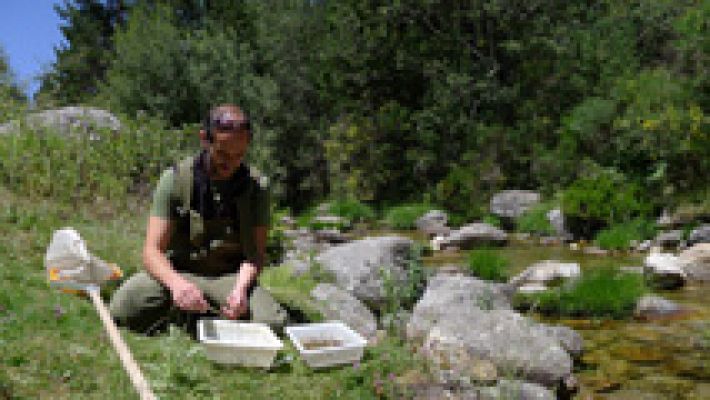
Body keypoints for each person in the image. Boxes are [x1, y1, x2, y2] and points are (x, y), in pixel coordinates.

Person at [110, 104, 286, 335]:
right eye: (222, 154)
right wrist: (176, 285)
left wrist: (241, 290)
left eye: (239, 156)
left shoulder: (257, 187)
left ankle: (196, 315)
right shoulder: (174, 180)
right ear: (205, 139)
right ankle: (193, 310)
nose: (230, 164)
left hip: (229, 278)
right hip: (180, 270)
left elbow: (256, 255)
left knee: (270, 324)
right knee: (125, 307)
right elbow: (152, 252)